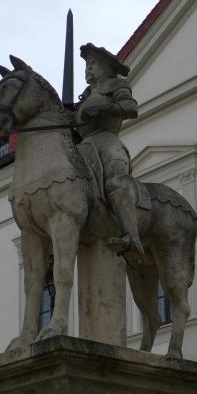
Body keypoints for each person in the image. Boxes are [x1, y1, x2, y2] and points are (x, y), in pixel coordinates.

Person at [75, 43, 143, 261]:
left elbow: (131, 109)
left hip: (107, 142)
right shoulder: (86, 96)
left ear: (106, 66)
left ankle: (132, 237)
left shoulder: (117, 85)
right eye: (86, 64)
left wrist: (104, 107)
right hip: (84, 146)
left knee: (116, 181)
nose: (88, 68)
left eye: (93, 63)